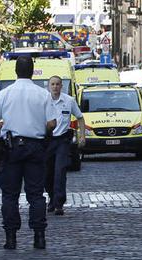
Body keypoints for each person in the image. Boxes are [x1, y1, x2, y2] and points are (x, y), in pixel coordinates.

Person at [0, 56, 57, 250]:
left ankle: (11, 237)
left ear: (16, 71)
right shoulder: (43, 94)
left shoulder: (5, 93)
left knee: (9, 194)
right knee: (36, 194)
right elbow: (52, 123)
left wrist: (3, 127)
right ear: (32, 71)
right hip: (35, 147)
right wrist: (41, 129)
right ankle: (39, 236)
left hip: (11, 149)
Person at [45, 76, 85, 217]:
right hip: (48, 141)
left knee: (59, 171)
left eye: (57, 84)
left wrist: (82, 136)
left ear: (61, 86)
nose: (55, 87)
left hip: (62, 140)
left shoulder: (69, 101)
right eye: (52, 84)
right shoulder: (43, 101)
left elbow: (80, 118)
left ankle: (59, 203)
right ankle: (51, 197)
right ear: (48, 86)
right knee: (47, 173)